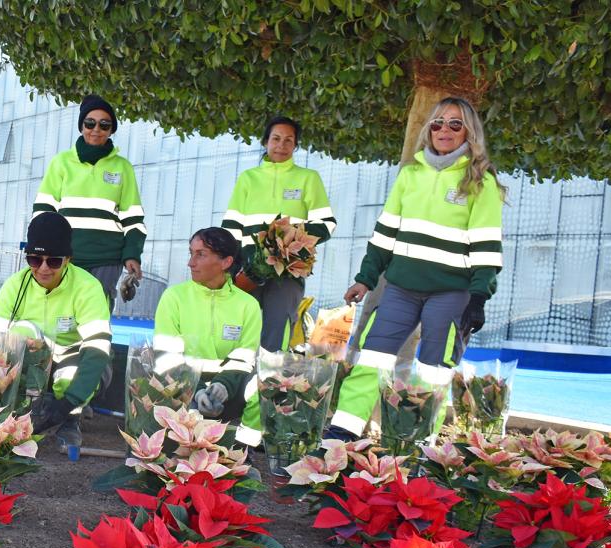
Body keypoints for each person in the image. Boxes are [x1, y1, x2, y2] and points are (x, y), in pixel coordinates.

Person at [326, 97, 505, 440]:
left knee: (432, 372)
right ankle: (341, 433)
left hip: (451, 293)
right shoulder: (410, 174)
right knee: (372, 358)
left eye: (455, 124)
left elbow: (486, 248)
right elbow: (384, 235)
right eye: (437, 123)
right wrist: (364, 279)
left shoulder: (482, 182)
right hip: (401, 288)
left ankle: (418, 443)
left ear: (470, 131)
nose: (444, 130)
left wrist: (479, 297)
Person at [0, 212, 111, 450]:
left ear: (68, 260)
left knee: (71, 374)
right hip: (32, 363)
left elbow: (97, 350)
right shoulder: (14, 285)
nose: (43, 269)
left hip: (71, 363)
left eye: (53, 261)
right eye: (34, 259)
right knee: (19, 332)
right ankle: (23, 411)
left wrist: (68, 403)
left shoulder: (88, 288)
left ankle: (70, 419)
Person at [221, 116, 336, 351]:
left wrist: (291, 239)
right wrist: (233, 267)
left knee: (277, 333)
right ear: (265, 141)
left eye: (288, 140)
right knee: (240, 330)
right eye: (275, 139)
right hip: (248, 269)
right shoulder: (248, 179)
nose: (281, 146)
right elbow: (231, 227)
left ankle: (270, 384)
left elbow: (326, 224)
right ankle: (234, 382)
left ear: (295, 145)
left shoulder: (308, 178)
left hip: (288, 273)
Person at [32, 94, 145, 310]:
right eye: (90, 123)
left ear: (111, 130)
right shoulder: (61, 163)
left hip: (107, 257)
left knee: (97, 311)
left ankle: (95, 345)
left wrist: (132, 255)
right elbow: (43, 212)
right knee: (60, 310)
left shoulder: (123, 168)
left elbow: (134, 220)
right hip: (65, 255)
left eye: (104, 125)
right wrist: (42, 250)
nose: (96, 129)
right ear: (81, 125)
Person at [152, 228, 263, 447]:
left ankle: (240, 449)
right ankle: (176, 442)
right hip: (181, 388)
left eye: (200, 254)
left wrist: (223, 386)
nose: (191, 263)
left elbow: (244, 358)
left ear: (225, 262)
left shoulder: (248, 305)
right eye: (191, 253)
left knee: (263, 384)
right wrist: (196, 390)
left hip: (227, 390)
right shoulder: (174, 297)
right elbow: (167, 359)